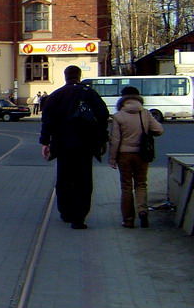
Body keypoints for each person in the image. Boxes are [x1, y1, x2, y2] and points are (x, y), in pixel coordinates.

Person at [39, 65, 110, 229]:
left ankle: (65, 211)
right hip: (85, 145)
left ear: (65, 77)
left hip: (62, 145)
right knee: (83, 180)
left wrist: (45, 142)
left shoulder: (56, 95)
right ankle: (79, 218)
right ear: (79, 76)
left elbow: (47, 120)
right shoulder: (89, 93)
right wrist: (102, 141)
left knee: (64, 178)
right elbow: (102, 117)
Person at [108, 86, 163, 228]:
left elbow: (115, 140)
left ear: (123, 98)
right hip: (142, 154)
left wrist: (112, 159)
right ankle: (143, 211)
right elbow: (159, 130)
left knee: (126, 187)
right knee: (141, 184)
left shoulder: (119, 115)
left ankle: (128, 220)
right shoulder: (145, 114)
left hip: (124, 155)